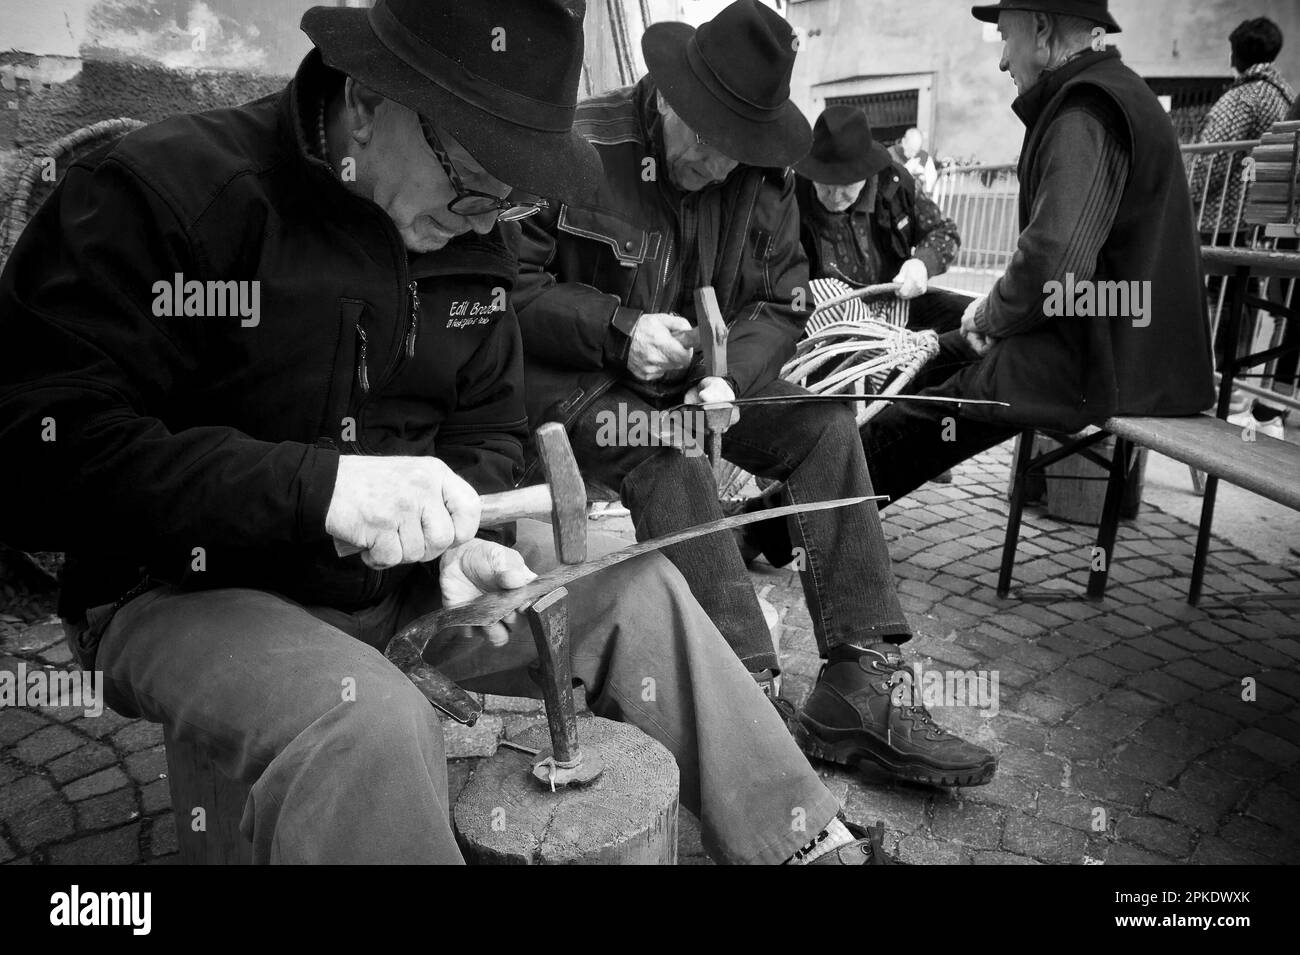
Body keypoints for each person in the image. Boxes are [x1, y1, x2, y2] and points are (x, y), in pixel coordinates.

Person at [0, 0, 897, 865]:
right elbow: (38, 446)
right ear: (365, 106)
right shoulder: (166, 193)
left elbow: (492, 430)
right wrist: (322, 490)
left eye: (507, 200)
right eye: (473, 182)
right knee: (370, 723)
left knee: (641, 589)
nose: (484, 217)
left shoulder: (475, 243)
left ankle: (802, 841)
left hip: (401, 586)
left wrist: (460, 541)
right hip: (187, 588)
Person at [513, 0, 997, 789]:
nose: (718, 167)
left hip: (696, 378)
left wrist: (724, 373)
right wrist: (615, 327)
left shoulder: (760, 171)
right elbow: (510, 292)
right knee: (666, 449)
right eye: (706, 143)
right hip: (581, 382)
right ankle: (748, 698)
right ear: (668, 99)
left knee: (821, 422)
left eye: (739, 151)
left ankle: (859, 683)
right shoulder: (576, 138)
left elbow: (782, 298)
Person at [858, 0, 1215, 506]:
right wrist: (992, 320)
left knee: (926, 412)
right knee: (935, 353)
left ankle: (770, 525)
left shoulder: (1087, 109)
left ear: (1042, 29)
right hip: (1107, 329)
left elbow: (1054, 261)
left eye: (1006, 36)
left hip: (1112, 354)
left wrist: (994, 314)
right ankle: (790, 501)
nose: (1003, 59)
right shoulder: (1108, 94)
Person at [794, 105, 968, 335]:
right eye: (824, 185)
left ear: (866, 174)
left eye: (846, 186)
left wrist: (922, 263)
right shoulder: (794, 195)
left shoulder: (895, 184)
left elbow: (945, 232)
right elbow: (781, 275)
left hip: (894, 302)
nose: (835, 197)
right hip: (825, 317)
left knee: (967, 316)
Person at [890, 127, 940, 194]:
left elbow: (932, 183)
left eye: (916, 151)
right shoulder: (890, 155)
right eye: (911, 150)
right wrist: (905, 170)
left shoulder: (924, 157)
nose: (913, 155)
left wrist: (924, 179)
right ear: (903, 142)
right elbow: (887, 186)